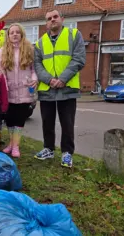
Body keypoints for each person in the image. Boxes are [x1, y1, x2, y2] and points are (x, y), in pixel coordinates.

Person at [33, 9, 86, 168]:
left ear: (62, 18)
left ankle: (67, 153)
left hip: (67, 87)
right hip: (47, 88)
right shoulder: (40, 42)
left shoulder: (74, 35)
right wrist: (49, 80)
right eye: (49, 18)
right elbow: (37, 64)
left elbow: (79, 59)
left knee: (67, 123)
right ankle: (48, 149)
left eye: (55, 17)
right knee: (47, 122)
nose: (52, 20)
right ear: (46, 23)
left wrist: (63, 79)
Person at [0, 23, 38, 158]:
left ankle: (16, 146)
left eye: (17, 32)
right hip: (9, 91)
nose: (14, 34)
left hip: (25, 90)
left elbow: (34, 69)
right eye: (11, 32)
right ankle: (10, 143)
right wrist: (4, 86)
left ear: (21, 34)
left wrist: (34, 79)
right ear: (8, 36)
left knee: (20, 119)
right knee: (9, 119)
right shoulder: (2, 51)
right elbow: (0, 71)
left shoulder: (29, 49)